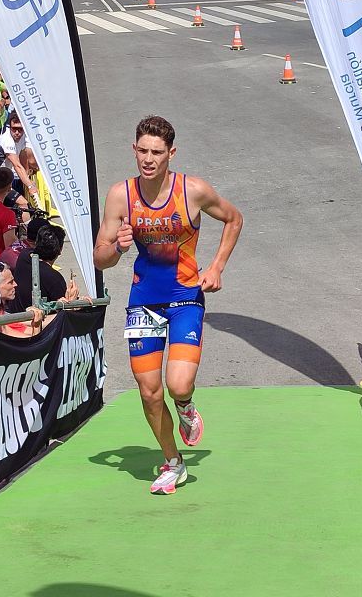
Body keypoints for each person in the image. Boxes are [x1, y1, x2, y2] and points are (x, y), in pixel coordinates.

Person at [93, 115, 243, 495]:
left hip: (184, 298)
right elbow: (100, 257)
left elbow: (234, 218)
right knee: (148, 391)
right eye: (142, 150)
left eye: (156, 152)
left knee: (178, 384)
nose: (148, 159)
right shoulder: (120, 195)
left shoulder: (192, 190)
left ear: (170, 154)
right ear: (134, 150)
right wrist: (118, 247)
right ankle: (173, 462)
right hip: (143, 301)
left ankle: (187, 407)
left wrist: (217, 266)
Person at [9, 225, 79, 312]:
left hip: (15, 315)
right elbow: (64, 311)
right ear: (60, 250)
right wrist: (74, 301)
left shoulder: (24, 255)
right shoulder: (54, 278)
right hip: (36, 322)